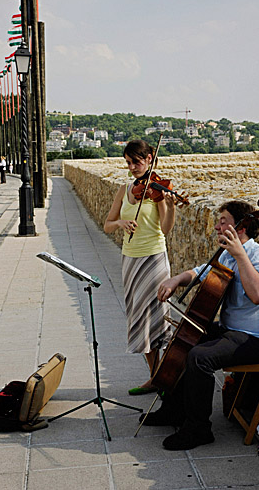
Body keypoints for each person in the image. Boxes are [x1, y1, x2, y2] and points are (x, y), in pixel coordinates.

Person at [141, 199, 259, 450]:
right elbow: (199, 272)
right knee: (185, 341)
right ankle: (174, 410)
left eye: (223, 223)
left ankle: (198, 429)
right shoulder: (227, 255)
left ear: (241, 227)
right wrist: (176, 279)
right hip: (234, 331)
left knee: (200, 357)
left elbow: (258, 295)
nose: (217, 228)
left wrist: (240, 255)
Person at [104, 139, 177, 395]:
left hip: (154, 259)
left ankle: (162, 377)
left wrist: (170, 205)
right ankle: (155, 376)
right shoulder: (125, 189)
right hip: (130, 259)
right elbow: (107, 224)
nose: (132, 167)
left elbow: (166, 229)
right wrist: (122, 223)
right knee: (138, 318)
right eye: (128, 162)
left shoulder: (158, 190)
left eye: (136, 161)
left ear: (149, 158)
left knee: (155, 316)